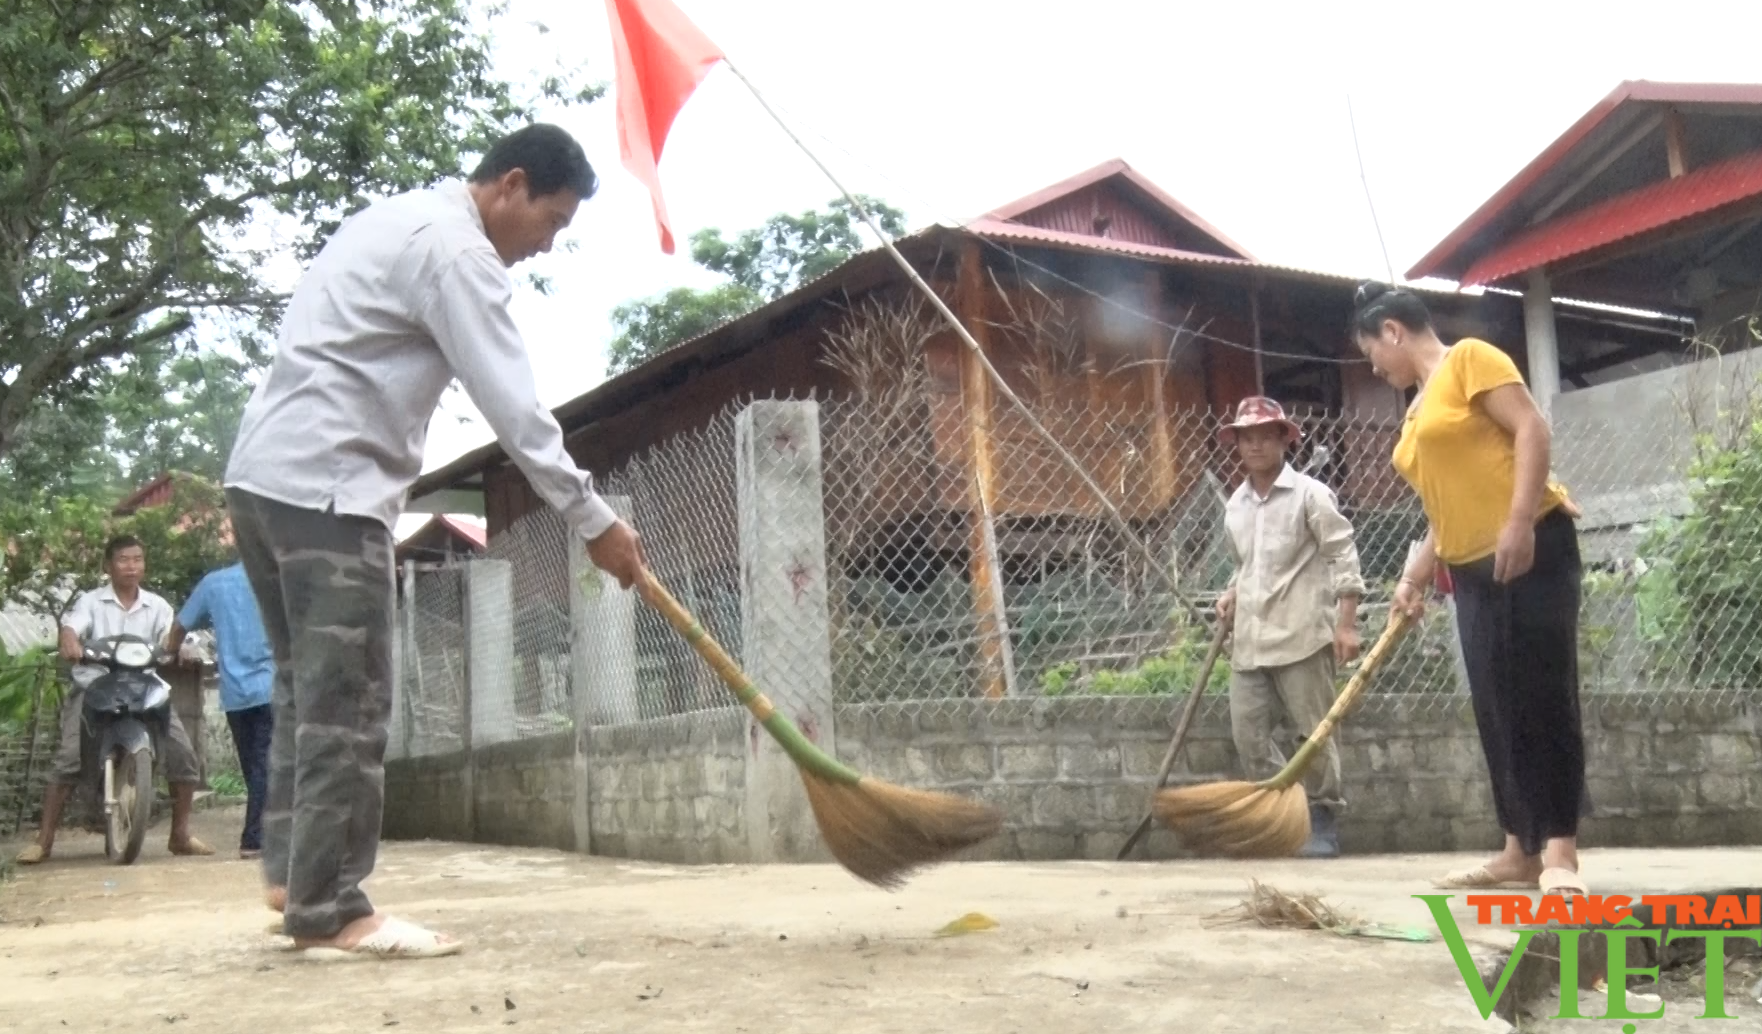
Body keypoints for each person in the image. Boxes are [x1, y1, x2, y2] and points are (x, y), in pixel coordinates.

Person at [222, 123, 646, 960]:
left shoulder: (396, 217)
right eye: (552, 221)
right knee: (349, 699)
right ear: (511, 185)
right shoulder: (459, 254)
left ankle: (291, 877)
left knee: (307, 693)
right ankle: (332, 906)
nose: (547, 244)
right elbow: (515, 411)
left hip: (263, 483)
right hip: (330, 491)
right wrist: (595, 522)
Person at [1348, 281, 1589, 899]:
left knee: (1543, 692)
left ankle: (1560, 849)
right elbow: (1442, 506)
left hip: (1533, 541)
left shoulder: (1470, 360)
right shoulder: (1415, 410)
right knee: (1495, 706)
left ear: (1394, 332)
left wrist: (1517, 521)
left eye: (1372, 351)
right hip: (1470, 570)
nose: (1373, 366)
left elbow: (1531, 429)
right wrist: (1412, 577)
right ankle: (1519, 850)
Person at [1214, 397, 1365, 859]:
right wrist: (1231, 591)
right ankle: (1285, 814)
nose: (1255, 444)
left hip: (1302, 634)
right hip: (1251, 640)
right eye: (1246, 436)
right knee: (1248, 735)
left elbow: (1343, 555)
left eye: (1265, 434)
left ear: (1284, 439)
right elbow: (1248, 565)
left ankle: (1322, 818)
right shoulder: (1235, 504)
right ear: (1236, 443)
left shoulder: (1310, 495)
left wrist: (1347, 624)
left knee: (1313, 733)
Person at [16, 536, 213, 864]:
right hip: (95, 686)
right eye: (124, 559)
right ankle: (44, 841)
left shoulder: (158, 606)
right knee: (67, 759)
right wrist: (70, 642)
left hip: (146, 687)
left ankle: (179, 835)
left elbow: (173, 637)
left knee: (184, 756)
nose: (132, 566)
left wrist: (184, 649)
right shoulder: (91, 602)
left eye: (137, 559)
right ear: (108, 565)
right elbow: (71, 629)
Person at [167, 544, 275, 861]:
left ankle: (263, 833)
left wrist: (173, 652)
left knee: (254, 765)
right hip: (275, 687)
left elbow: (178, 627)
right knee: (266, 765)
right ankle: (255, 839)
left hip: (235, 692)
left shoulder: (214, 583)